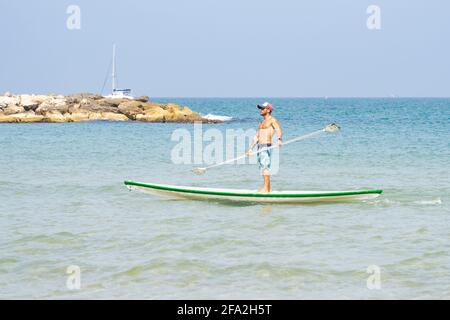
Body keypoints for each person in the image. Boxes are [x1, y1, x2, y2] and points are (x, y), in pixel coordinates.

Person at [246, 102, 283, 193]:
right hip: (260, 146)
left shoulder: (272, 120)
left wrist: (279, 139)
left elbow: (278, 129)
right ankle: (268, 189)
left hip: (266, 146)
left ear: (268, 110)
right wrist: (250, 149)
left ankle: (266, 189)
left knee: (265, 167)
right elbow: (257, 137)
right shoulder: (262, 122)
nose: (260, 110)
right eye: (260, 108)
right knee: (263, 167)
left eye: (263, 108)